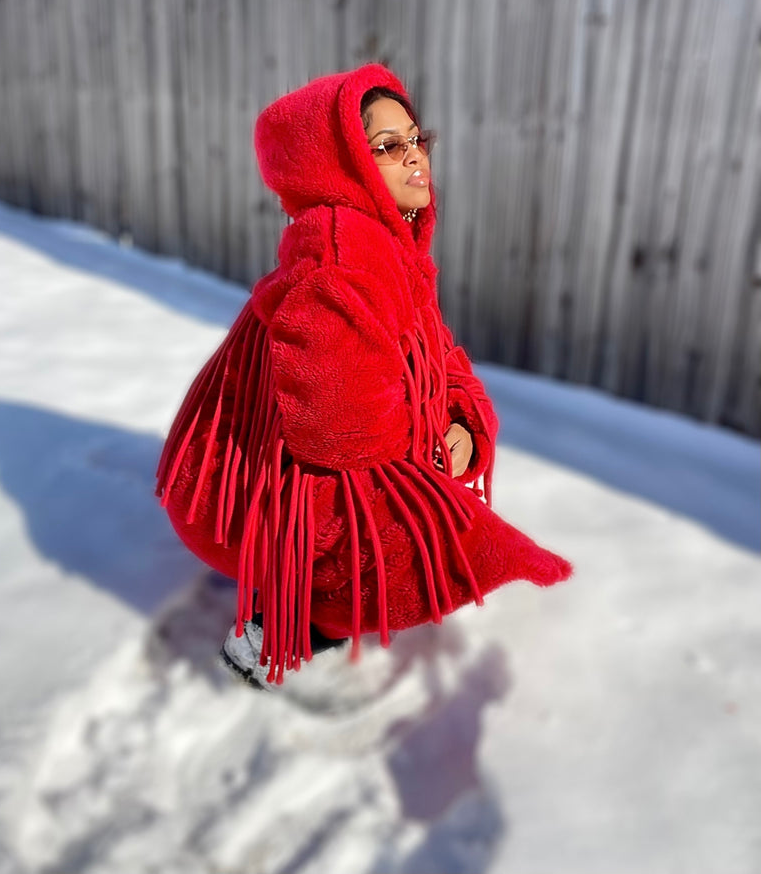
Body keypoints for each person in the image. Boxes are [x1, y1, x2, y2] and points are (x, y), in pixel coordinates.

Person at [155, 63, 572, 689]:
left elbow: (440, 353)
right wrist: (433, 487)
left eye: (416, 139)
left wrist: (458, 417)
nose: (415, 157)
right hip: (253, 502)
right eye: (386, 147)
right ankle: (284, 624)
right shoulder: (340, 257)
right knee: (423, 550)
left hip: (295, 475)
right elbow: (337, 434)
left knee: (435, 523)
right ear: (339, 162)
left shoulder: (390, 244)